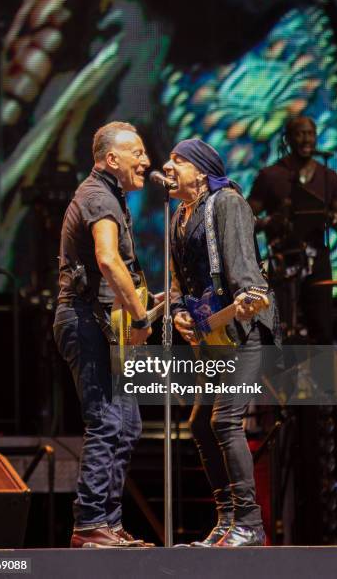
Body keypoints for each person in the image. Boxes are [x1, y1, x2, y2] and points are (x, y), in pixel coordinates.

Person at [163, 138, 280, 547]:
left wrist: (248, 296)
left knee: (224, 420)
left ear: (200, 169)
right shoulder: (179, 214)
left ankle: (250, 523)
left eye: (177, 160)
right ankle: (227, 520)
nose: (167, 166)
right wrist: (177, 309)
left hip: (242, 330)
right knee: (199, 422)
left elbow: (244, 267)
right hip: (211, 337)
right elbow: (177, 278)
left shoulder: (226, 202)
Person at [53, 121, 154, 548]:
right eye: (139, 153)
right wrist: (142, 317)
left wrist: (147, 303)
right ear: (112, 159)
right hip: (84, 319)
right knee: (108, 420)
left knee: (126, 424)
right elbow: (109, 261)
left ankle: (107, 524)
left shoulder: (109, 195)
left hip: (100, 322)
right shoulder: (98, 196)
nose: (147, 161)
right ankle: (90, 523)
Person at [248, 116, 337, 343]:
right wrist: (270, 222)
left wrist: (329, 216)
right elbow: (246, 220)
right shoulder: (270, 176)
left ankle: (323, 379)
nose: (306, 139)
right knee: (284, 331)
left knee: (322, 330)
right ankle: (287, 378)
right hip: (283, 263)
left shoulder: (328, 177)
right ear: (287, 139)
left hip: (318, 264)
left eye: (311, 134)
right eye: (300, 133)